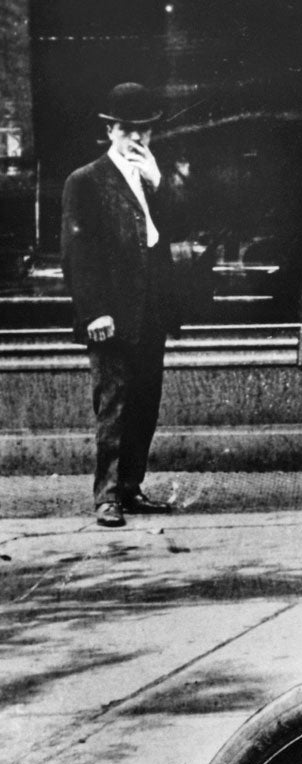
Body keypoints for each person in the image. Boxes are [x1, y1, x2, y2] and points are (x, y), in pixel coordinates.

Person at [61, 82, 189, 526]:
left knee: (145, 401)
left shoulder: (152, 177)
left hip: (151, 308)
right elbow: (79, 254)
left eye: (146, 131)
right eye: (129, 130)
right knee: (113, 404)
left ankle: (131, 488)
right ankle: (108, 496)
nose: (138, 139)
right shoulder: (86, 180)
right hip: (111, 313)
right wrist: (94, 311)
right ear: (110, 130)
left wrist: (158, 181)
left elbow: (176, 227)